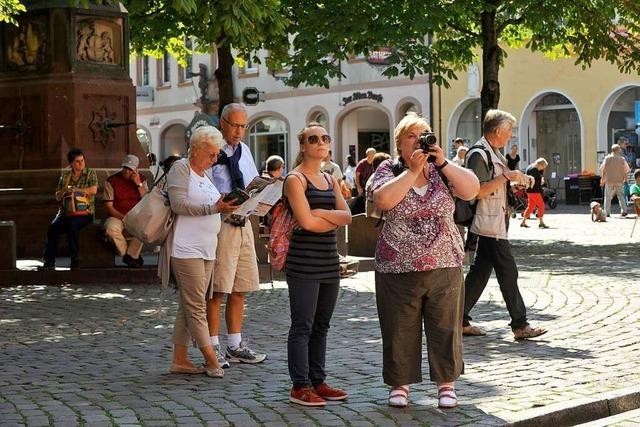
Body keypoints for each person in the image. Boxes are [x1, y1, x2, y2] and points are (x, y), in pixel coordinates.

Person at [369, 112, 480, 409]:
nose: (420, 140)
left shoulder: (441, 170)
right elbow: (383, 200)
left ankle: (446, 384)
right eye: (412, 136)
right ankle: (400, 384)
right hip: (397, 265)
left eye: (425, 134)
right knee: (398, 326)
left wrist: (442, 162)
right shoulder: (387, 169)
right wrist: (411, 171)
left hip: (444, 261)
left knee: (445, 326)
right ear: (399, 145)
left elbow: (472, 190)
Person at [160, 126, 238, 378]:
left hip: (206, 248)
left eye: (217, 155)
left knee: (188, 305)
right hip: (186, 247)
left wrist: (225, 204)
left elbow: (211, 204)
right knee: (196, 307)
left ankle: (179, 360)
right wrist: (214, 208)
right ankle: (212, 360)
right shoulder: (181, 168)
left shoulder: (206, 174)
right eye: (212, 154)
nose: (215, 159)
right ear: (196, 149)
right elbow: (179, 204)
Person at [463, 109, 547, 340]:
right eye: (509, 130)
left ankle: (458, 318)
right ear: (498, 130)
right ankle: (520, 324)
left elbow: (495, 186)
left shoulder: (494, 152)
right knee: (508, 272)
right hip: (488, 223)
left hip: (494, 222)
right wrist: (507, 178)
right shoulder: (479, 154)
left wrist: (515, 182)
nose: (510, 135)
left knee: (479, 274)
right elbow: (477, 191)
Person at [284, 122, 352, 406]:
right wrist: (327, 218)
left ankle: (318, 380)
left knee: (322, 325)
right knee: (303, 325)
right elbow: (306, 222)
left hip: (328, 260)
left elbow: (347, 216)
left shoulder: (330, 178)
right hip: (303, 262)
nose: (321, 142)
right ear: (303, 146)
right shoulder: (295, 180)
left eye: (325, 137)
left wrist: (322, 212)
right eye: (314, 138)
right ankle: (300, 386)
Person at [207, 103, 266, 368]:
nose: (239, 131)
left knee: (240, 287)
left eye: (243, 126)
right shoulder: (210, 148)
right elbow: (201, 185)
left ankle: (234, 344)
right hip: (220, 224)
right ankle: (213, 346)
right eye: (234, 125)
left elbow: (252, 181)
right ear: (222, 123)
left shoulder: (245, 150)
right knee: (218, 288)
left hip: (244, 222)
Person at [39, 148, 98, 270]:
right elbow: (57, 197)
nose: (81, 163)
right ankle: (49, 262)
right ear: (71, 163)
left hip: (85, 212)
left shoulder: (90, 172)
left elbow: (93, 190)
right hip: (66, 212)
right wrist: (63, 191)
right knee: (53, 228)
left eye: (82, 160)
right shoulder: (65, 176)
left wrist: (76, 190)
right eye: (77, 161)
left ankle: (75, 259)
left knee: (73, 226)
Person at [104, 154, 148, 267]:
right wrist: (123, 218)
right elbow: (109, 206)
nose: (126, 171)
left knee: (145, 228)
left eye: (130, 169)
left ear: (135, 170)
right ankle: (128, 256)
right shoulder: (111, 181)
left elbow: (147, 200)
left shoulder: (142, 179)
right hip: (117, 215)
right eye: (125, 167)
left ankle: (131, 255)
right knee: (110, 229)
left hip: (136, 215)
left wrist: (138, 183)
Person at [600, 144, 630, 217]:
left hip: (609, 180)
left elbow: (603, 170)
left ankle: (607, 212)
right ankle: (624, 210)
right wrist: (625, 180)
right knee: (621, 196)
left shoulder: (607, 158)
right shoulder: (622, 159)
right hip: (619, 180)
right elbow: (626, 171)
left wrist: (602, 179)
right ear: (618, 150)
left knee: (607, 196)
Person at [520, 158, 549, 229]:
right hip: (535, 191)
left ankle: (523, 222)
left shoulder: (529, 167)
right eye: (543, 167)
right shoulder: (534, 169)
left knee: (531, 206)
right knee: (541, 205)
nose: (542, 169)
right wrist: (540, 182)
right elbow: (532, 179)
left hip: (529, 191)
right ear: (540, 164)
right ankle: (541, 222)